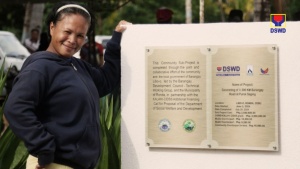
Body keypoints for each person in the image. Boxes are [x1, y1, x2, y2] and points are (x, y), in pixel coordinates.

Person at [4, 1, 129, 169]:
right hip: (54, 164)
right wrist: (44, 148)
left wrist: (116, 38)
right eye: (67, 31)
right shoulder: (39, 67)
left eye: (80, 35)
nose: (72, 40)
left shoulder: (78, 66)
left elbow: (107, 81)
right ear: (52, 27)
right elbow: (16, 108)